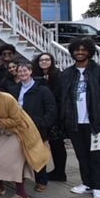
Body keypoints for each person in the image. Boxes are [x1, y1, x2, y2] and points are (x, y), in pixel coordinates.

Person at [59, 37, 100, 198]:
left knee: (97, 156)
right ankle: (86, 183)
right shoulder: (67, 74)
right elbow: (62, 99)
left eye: (83, 49)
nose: (80, 52)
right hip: (74, 123)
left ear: (89, 51)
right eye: (76, 49)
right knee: (81, 155)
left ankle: (97, 186)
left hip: (96, 122)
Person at [0, 74, 51, 198]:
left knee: (14, 162)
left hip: (19, 131)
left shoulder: (7, 98)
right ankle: (0, 187)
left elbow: (17, 120)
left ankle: (22, 194)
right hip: (1, 133)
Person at [9, 62, 57, 192]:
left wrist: (43, 122)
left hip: (36, 126)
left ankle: (41, 180)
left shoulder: (42, 90)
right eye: (20, 71)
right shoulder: (14, 89)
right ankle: (20, 178)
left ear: (30, 72)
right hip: (18, 127)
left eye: (25, 71)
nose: (22, 73)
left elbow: (51, 109)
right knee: (18, 154)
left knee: (37, 154)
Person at [32, 52, 67, 182]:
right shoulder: (36, 76)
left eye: (47, 59)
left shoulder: (58, 75)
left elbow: (60, 96)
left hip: (56, 115)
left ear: (52, 61)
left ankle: (60, 172)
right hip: (42, 114)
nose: (44, 62)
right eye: (42, 60)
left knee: (57, 144)